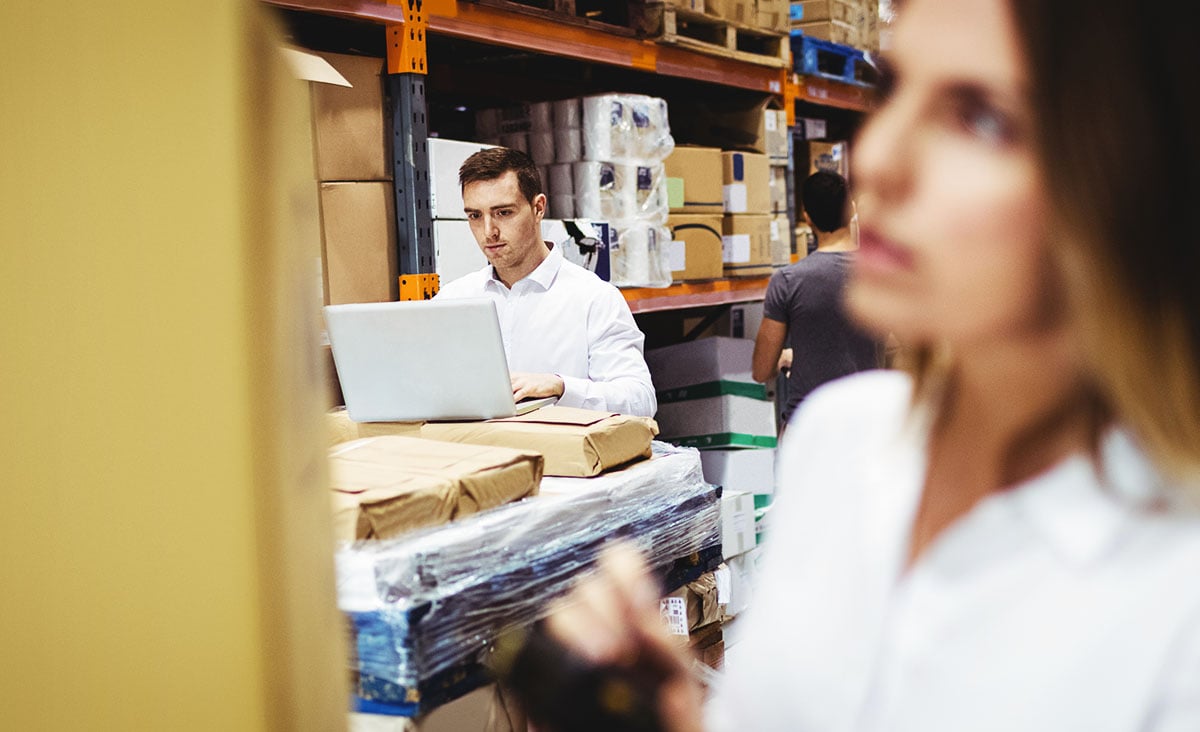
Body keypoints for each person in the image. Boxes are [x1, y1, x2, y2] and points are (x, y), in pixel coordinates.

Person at [532, 0, 1200, 729]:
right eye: (893, 91)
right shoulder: (842, 441)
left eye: (979, 117)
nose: (877, 159)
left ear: (1144, 181)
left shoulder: (1173, 603)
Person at [435, 147, 657, 418]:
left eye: (503, 213)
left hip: (560, 457)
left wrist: (561, 387)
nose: (488, 231)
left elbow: (640, 400)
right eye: (475, 216)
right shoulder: (451, 300)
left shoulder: (594, 298)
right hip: (476, 454)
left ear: (538, 208)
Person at [752, 171, 881, 425]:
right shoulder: (877, 275)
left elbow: (762, 370)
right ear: (852, 210)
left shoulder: (788, 281)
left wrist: (790, 356)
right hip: (866, 422)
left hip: (808, 424)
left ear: (807, 218)